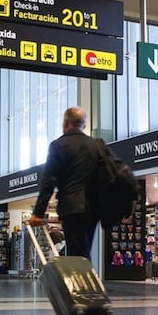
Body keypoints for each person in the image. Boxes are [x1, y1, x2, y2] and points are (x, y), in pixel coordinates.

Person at [28, 107, 100, 259]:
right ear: (84, 126)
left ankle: (80, 282)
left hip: (71, 208)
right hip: (92, 208)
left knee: (76, 254)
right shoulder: (96, 145)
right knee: (84, 252)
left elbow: (48, 181)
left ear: (65, 123)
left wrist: (38, 213)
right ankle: (83, 280)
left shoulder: (58, 146)